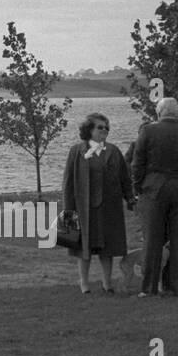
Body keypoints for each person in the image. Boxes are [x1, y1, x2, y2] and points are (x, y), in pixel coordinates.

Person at [131, 97, 178, 297]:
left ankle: (149, 288)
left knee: (152, 239)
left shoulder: (147, 131)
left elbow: (137, 164)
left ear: (159, 112)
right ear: (177, 113)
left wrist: (138, 188)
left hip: (154, 190)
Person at [62, 114, 135, 294]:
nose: (104, 131)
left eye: (106, 128)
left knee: (107, 248)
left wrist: (130, 198)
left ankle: (106, 284)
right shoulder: (76, 151)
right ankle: (84, 284)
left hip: (109, 207)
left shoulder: (113, 151)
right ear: (89, 130)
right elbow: (68, 182)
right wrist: (68, 211)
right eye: (100, 127)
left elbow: (125, 179)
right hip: (83, 207)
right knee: (83, 247)